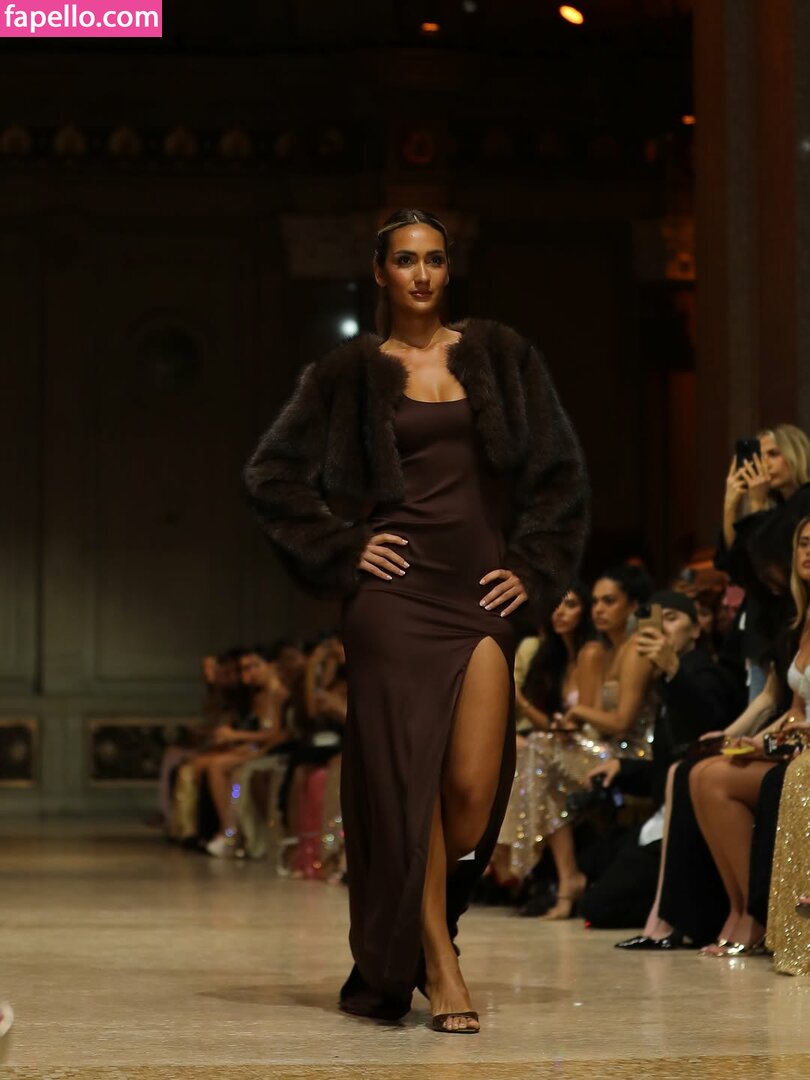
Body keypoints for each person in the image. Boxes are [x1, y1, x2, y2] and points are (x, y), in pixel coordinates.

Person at [244, 207, 588, 1033]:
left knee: (468, 794)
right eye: (406, 260)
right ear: (380, 272)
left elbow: (560, 474)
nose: (423, 274)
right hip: (393, 601)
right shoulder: (348, 373)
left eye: (435, 258)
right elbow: (272, 477)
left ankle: (425, 931)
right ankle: (438, 959)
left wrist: (533, 567)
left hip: (476, 593)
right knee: (408, 784)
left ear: (448, 267)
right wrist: (344, 545)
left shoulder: (501, 356)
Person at [581, 590, 741, 932]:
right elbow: (666, 764)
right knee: (595, 873)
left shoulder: (704, 672)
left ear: (695, 630)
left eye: (672, 619)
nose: (663, 628)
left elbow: (710, 730)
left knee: (600, 904)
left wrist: (672, 668)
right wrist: (624, 767)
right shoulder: (669, 681)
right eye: (657, 620)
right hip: (665, 812)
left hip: (693, 817)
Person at [688, 519, 810, 957]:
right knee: (703, 774)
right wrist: (757, 742)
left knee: (717, 780)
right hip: (797, 743)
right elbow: (794, 709)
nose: (809, 552)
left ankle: (757, 917)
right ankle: (739, 909)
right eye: (804, 543)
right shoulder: (802, 620)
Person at [492, 581, 595, 908]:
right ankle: (561, 876)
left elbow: (590, 720)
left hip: (600, 748)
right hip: (564, 745)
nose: (560, 613)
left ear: (586, 612)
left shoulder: (590, 653)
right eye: (557, 605)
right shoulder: (555, 657)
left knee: (532, 753)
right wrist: (524, 703)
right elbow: (552, 723)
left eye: (571, 605)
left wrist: (566, 721)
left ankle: (509, 858)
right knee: (531, 760)